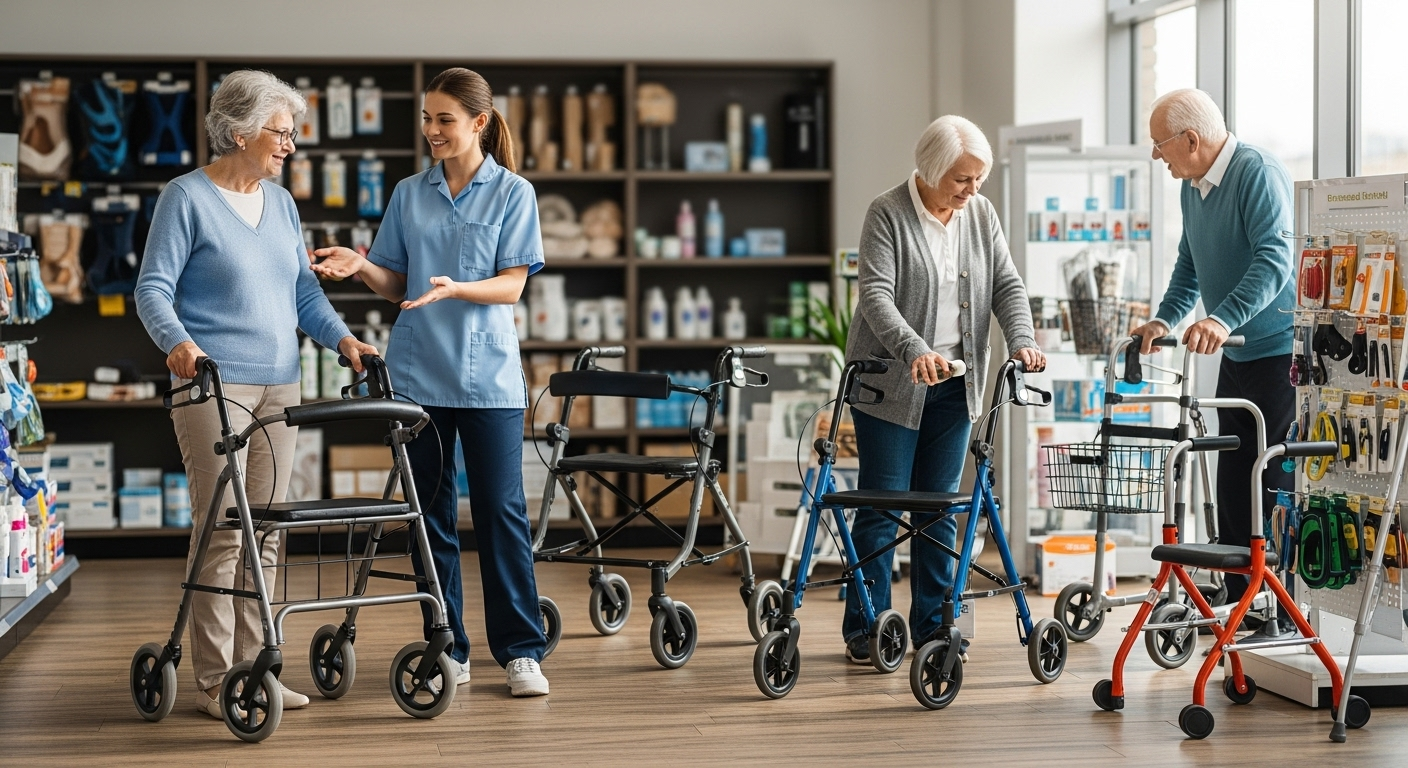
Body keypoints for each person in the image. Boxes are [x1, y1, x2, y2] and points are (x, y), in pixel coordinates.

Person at [135, 69, 377, 719]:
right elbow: (153, 288)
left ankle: (258, 666)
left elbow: (303, 293)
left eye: (293, 133)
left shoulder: (284, 204)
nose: (290, 145)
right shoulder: (185, 198)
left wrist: (345, 341)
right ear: (239, 131)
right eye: (281, 131)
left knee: (268, 531)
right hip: (214, 383)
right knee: (223, 532)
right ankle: (217, 680)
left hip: (280, 384)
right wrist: (179, 344)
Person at [309, 68, 550, 696]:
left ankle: (522, 651)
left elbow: (513, 284)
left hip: (489, 377)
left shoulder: (512, 193)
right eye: (425, 119)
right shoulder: (408, 194)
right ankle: (450, 644)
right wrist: (362, 265)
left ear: (478, 123)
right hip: (419, 377)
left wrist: (456, 288)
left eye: (444, 119)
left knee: (501, 512)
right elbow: (396, 283)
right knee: (430, 517)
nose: (431, 131)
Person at [843, 115, 1045, 662]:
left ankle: (933, 625)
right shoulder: (887, 213)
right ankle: (868, 626)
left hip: (956, 385)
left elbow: (1007, 282)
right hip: (889, 383)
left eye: (979, 178)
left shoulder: (980, 214)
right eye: (961, 179)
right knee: (883, 505)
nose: (973, 190)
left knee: (939, 508)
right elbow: (875, 297)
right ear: (930, 171)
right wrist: (915, 352)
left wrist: (1022, 341)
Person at [1128, 88, 1297, 640]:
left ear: (1192, 140)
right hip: (1237, 353)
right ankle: (1238, 601)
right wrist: (1165, 321)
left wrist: (1221, 320)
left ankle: (1274, 607)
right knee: (1230, 479)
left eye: (1160, 145)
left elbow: (1276, 256)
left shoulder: (1256, 173)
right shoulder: (1194, 187)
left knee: (1267, 478)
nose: (1158, 156)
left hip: (1277, 355)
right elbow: (1189, 265)